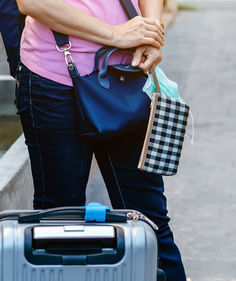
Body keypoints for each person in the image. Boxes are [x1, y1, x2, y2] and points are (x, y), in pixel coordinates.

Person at [14, 0, 186, 279]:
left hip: (126, 78)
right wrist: (115, 34)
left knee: (150, 220)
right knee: (59, 222)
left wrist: (151, 33)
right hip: (54, 82)